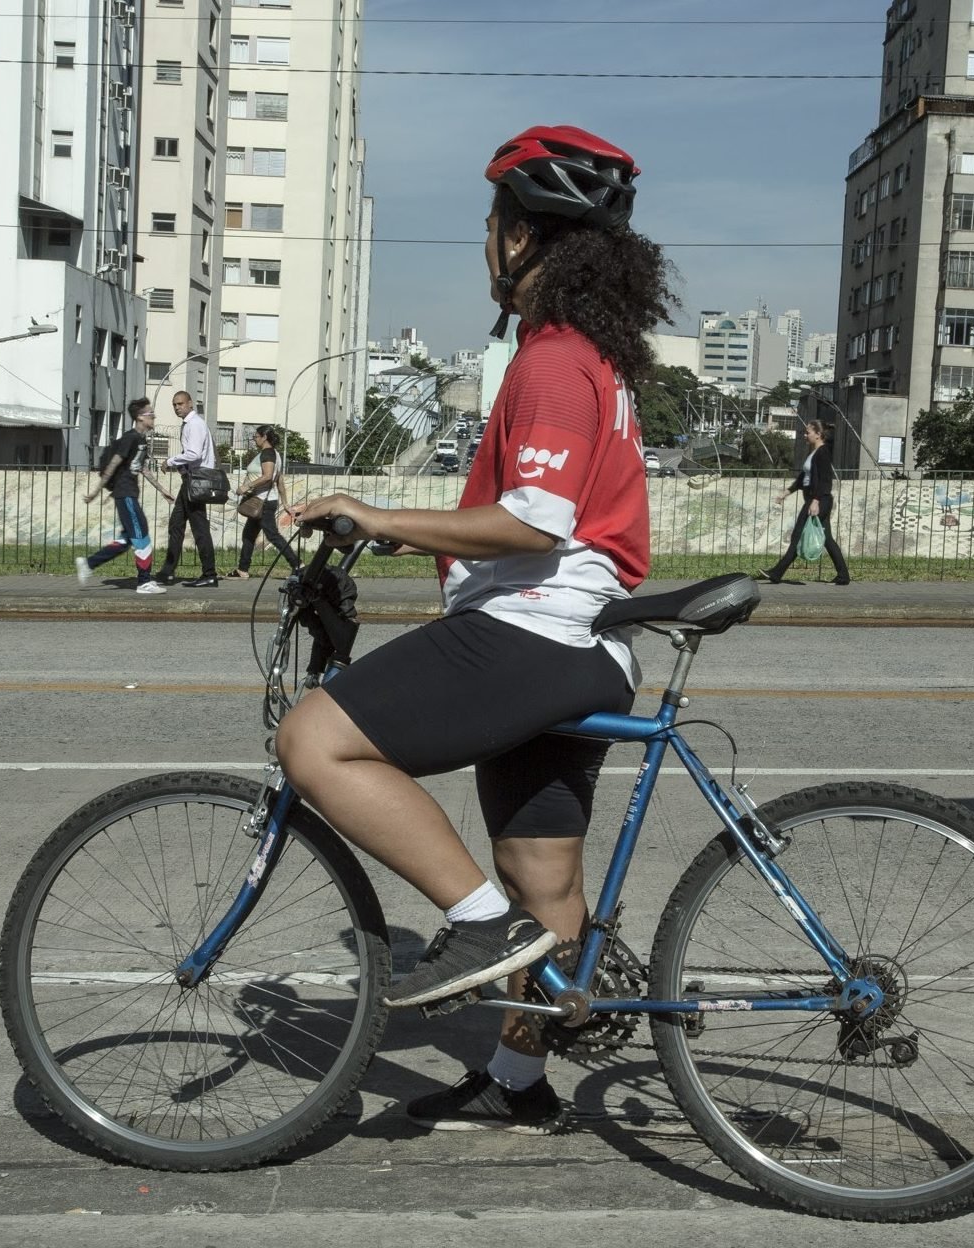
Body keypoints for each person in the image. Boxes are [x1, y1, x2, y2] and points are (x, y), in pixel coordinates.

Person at [277, 124, 674, 1132]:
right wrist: (402, 535)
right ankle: (517, 1080)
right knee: (545, 880)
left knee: (312, 740)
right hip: (580, 646)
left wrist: (379, 514)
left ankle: (475, 926)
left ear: (526, 239)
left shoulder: (551, 361)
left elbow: (532, 523)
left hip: (534, 633)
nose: (484, 246)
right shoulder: (590, 359)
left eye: (492, 226)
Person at [75, 399, 167, 595]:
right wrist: (95, 492)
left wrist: (162, 489)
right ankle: (144, 582)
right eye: (151, 414)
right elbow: (113, 464)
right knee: (142, 535)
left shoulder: (141, 440)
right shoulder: (129, 438)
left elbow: (141, 467)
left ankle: (88, 563)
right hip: (125, 494)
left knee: (126, 541)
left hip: (129, 493)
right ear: (140, 417)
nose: (154, 417)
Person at [757, 418, 851, 586]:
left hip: (819, 500)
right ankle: (843, 576)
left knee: (798, 535)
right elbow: (804, 478)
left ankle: (777, 573)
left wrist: (815, 501)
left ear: (818, 434)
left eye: (808, 432)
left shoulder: (822, 452)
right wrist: (787, 492)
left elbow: (825, 481)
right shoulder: (813, 453)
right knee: (827, 539)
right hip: (816, 499)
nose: (804, 435)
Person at [156, 390, 221, 587]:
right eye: (174, 405)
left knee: (199, 528)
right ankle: (168, 571)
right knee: (176, 524)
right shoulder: (190, 425)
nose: (177, 407)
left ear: (190, 403)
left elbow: (193, 454)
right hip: (191, 480)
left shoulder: (195, 424)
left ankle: (209, 573)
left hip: (197, 481)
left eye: (181, 404)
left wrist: (170, 461)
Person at [229, 424, 298, 578]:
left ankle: (298, 565)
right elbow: (279, 480)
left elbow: (268, 476)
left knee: (273, 535)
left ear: (264, 437)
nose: (254, 439)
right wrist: (285, 503)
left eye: (256, 436)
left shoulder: (267, 453)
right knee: (248, 535)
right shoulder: (276, 455)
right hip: (264, 500)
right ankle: (242, 569)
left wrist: (247, 486)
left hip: (262, 502)